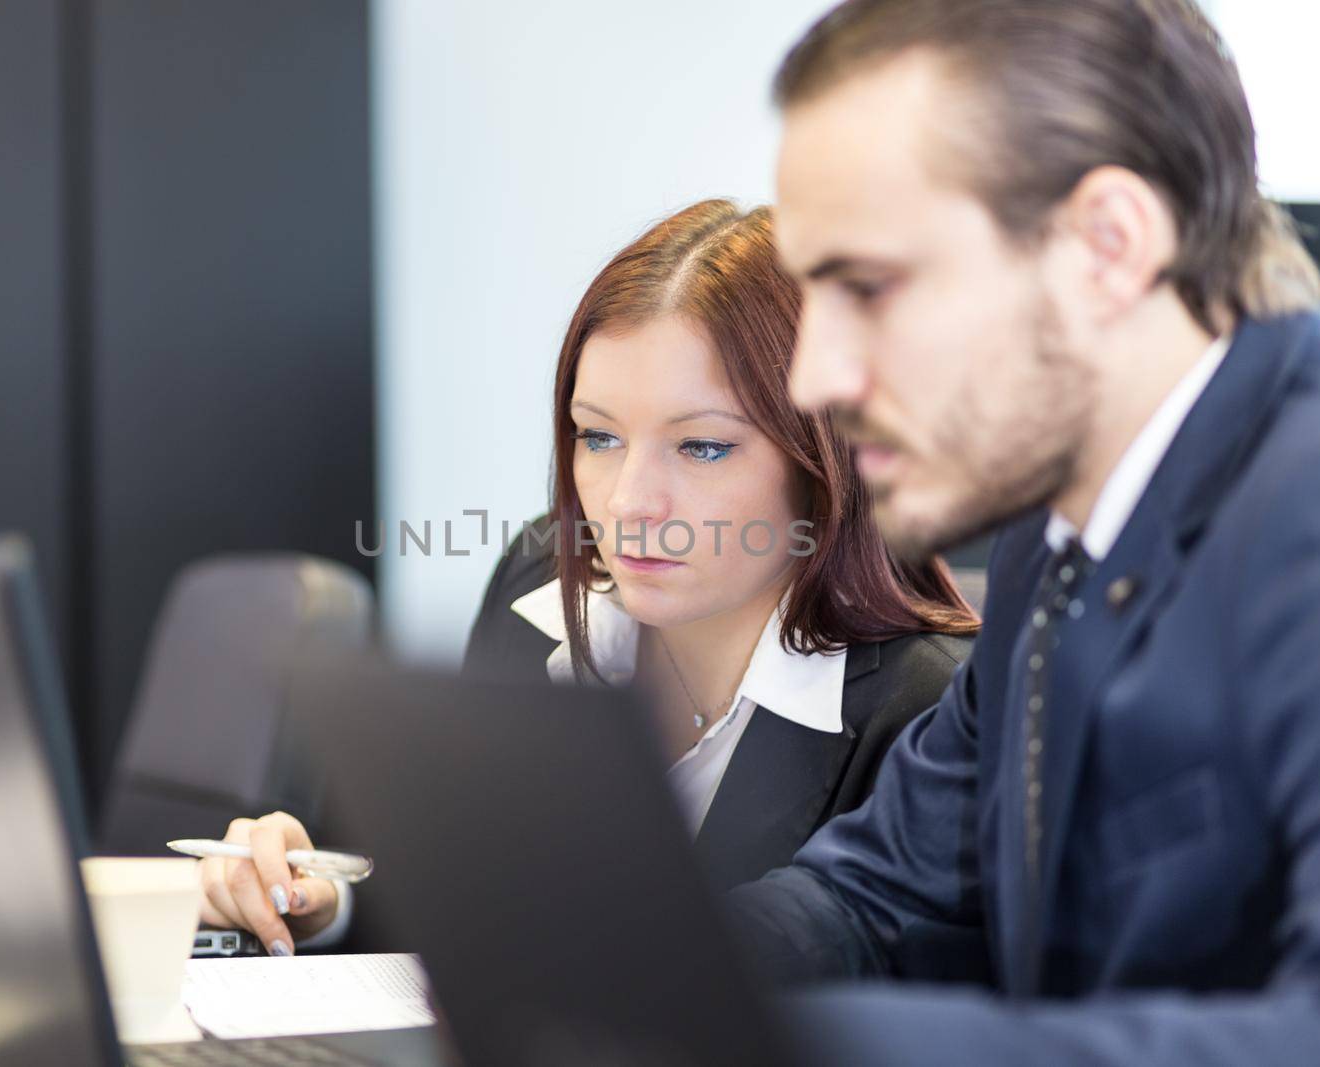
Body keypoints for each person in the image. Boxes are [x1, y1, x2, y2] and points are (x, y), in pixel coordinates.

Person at [719, 0, 1320, 1063]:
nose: (814, 378)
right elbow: (883, 890)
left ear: (1106, 247)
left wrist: (782, 1040)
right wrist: (634, 972)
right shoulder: (1052, 542)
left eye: (869, 287)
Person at [197, 200, 981, 957]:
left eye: (702, 446)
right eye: (598, 436)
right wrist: (319, 895)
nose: (630, 502)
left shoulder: (926, 709)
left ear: (821, 464)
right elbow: (470, 895)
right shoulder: (539, 585)